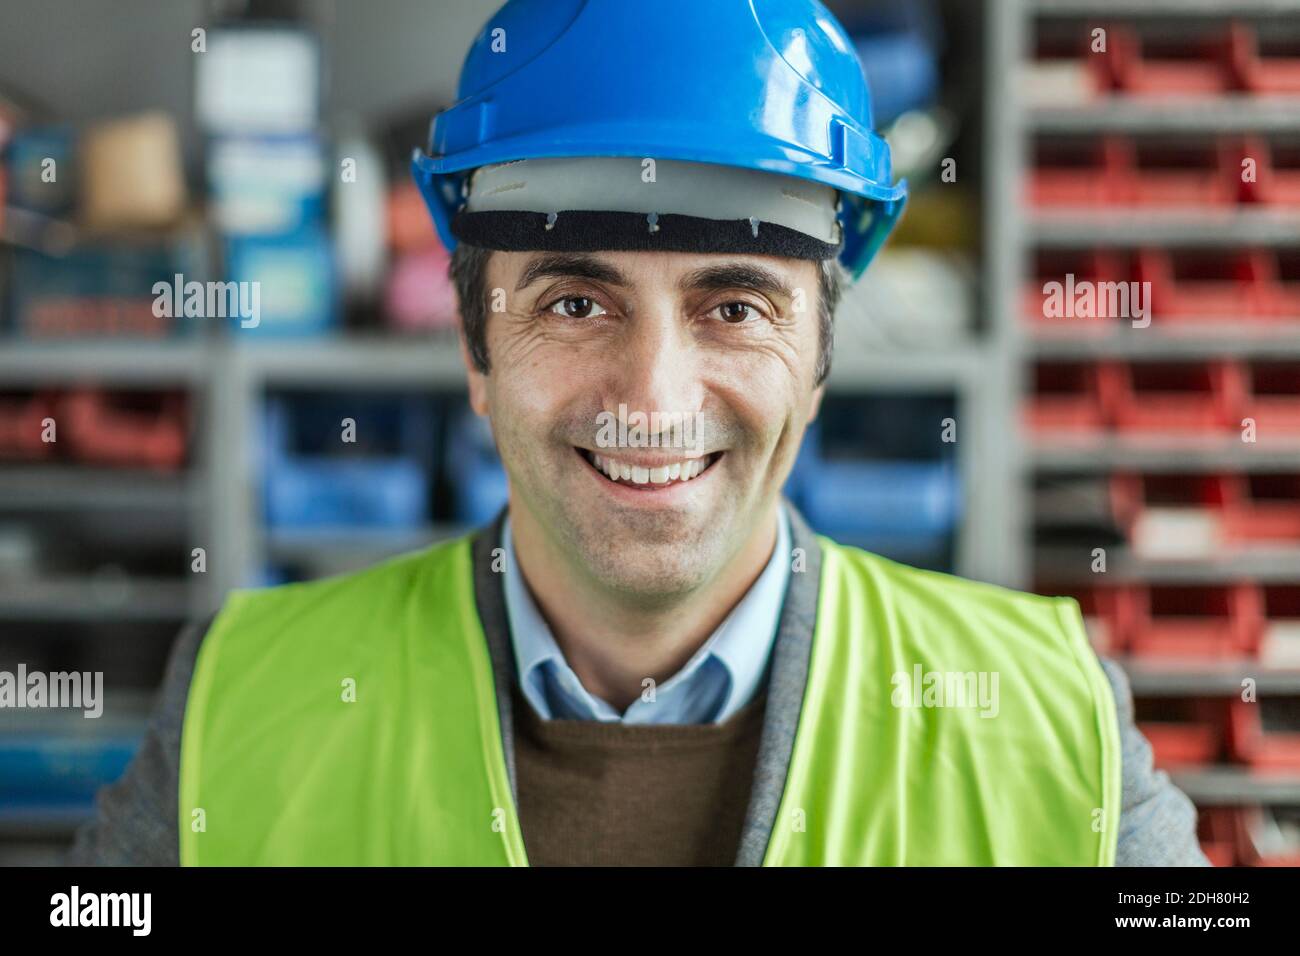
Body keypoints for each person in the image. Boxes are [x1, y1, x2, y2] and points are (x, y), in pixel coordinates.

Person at [69, 0, 1208, 866]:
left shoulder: (1057, 723)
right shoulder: (242, 701)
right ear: (475, 351)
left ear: (815, 362)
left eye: (733, 306)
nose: (652, 397)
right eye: (575, 302)